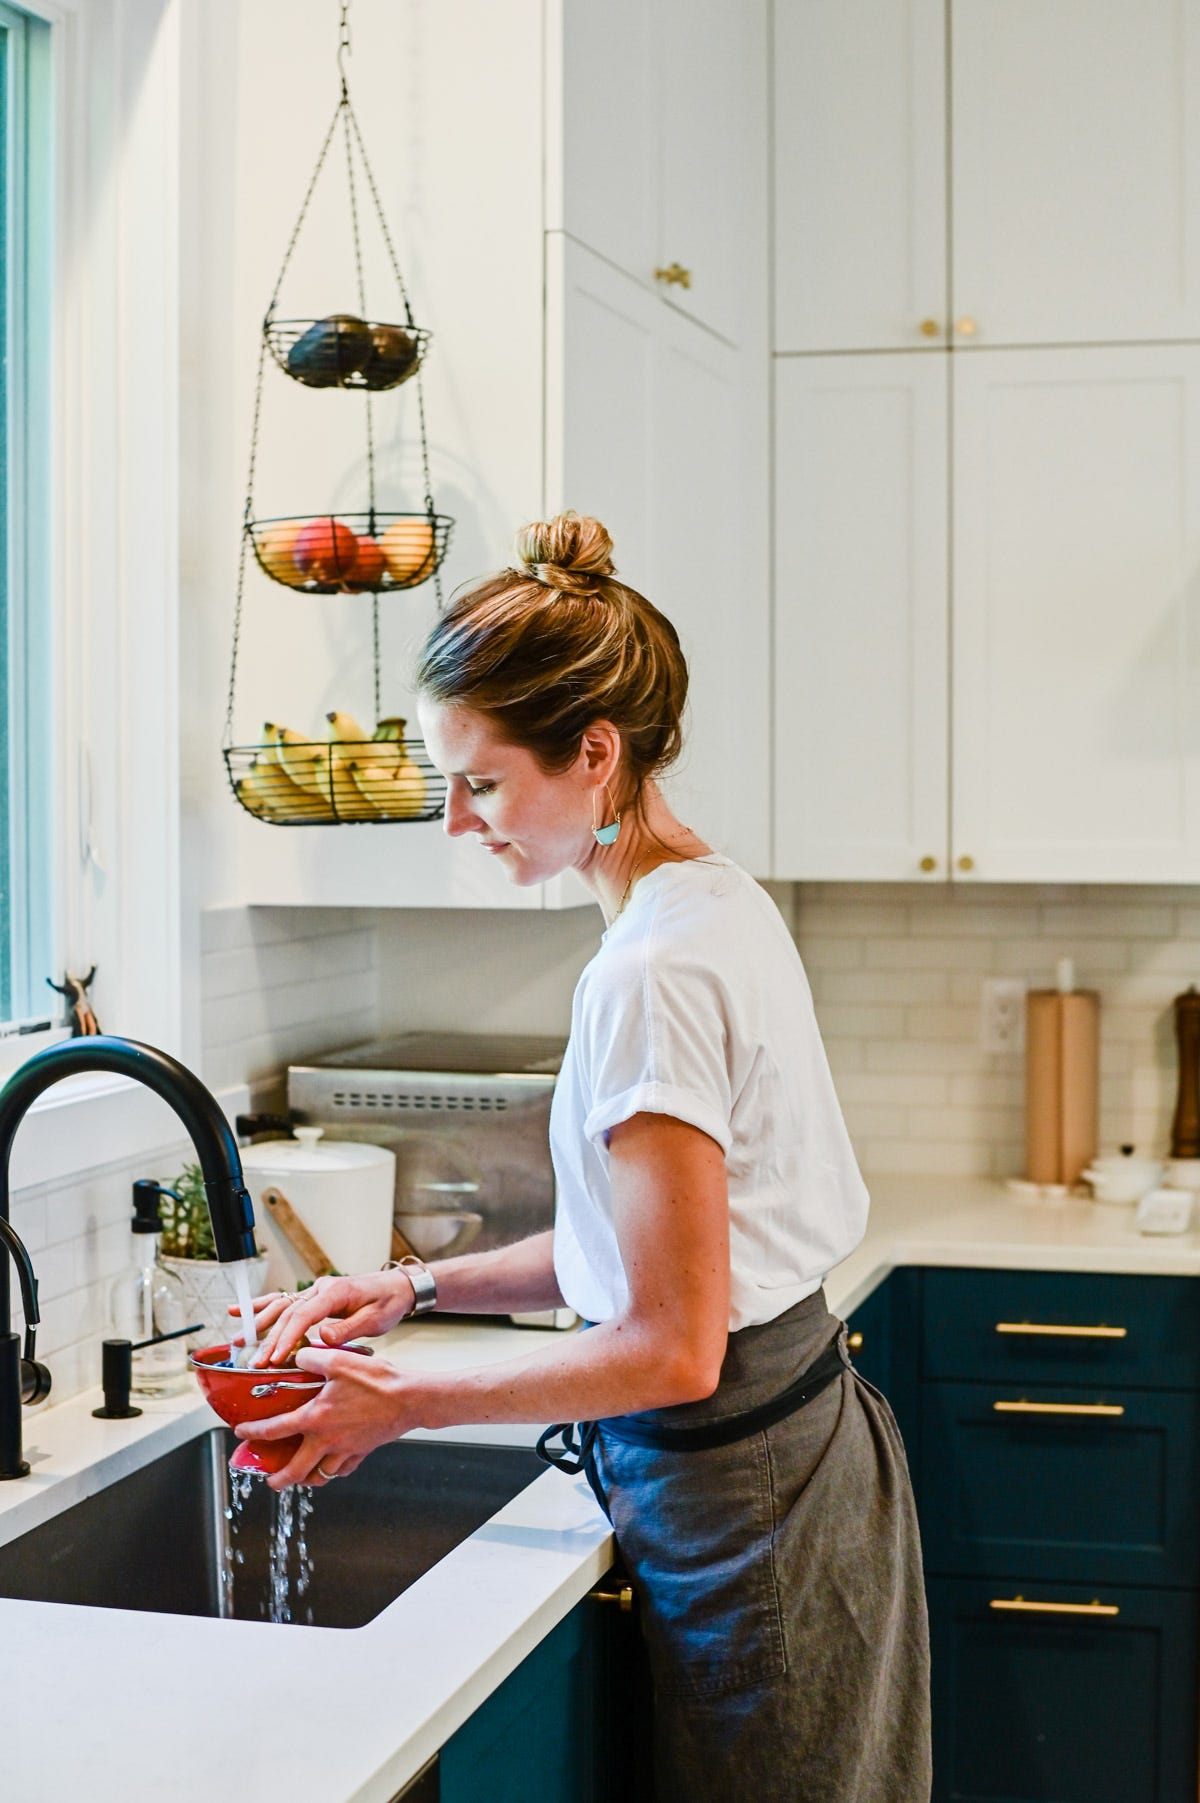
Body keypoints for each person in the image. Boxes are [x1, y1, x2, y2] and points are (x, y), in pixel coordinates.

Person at [236, 512, 932, 1801]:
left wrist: (400, 1405)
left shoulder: (651, 974)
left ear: (595, 752)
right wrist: (418, 1289)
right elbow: (643, 1253)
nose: (457, 821)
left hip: (745, 1509)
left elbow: (672, 1344)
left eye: (483, 781)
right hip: (779, 1470)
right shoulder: (713, 899)